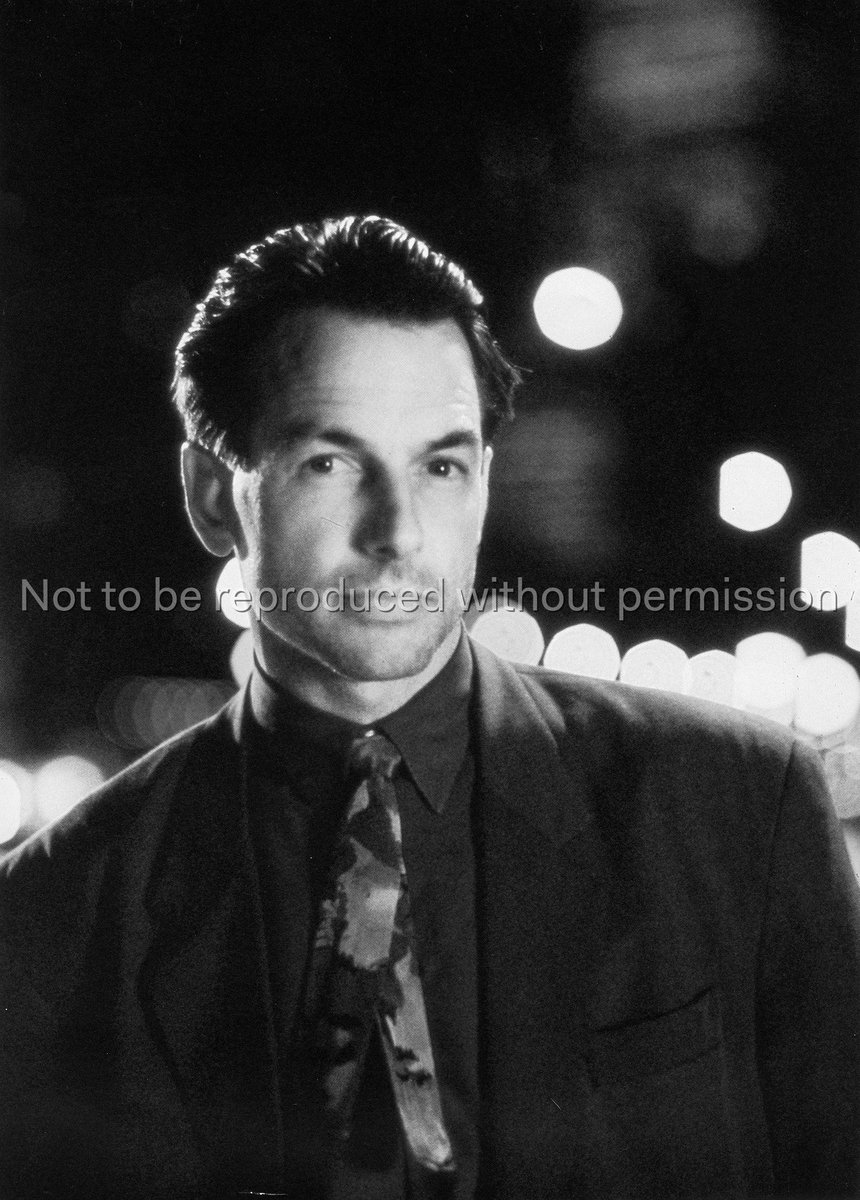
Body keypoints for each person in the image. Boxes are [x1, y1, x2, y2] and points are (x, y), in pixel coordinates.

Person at [1, 215, 858, 1200]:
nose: (398, 531)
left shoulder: (739, 805)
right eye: (330, 462)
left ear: (483, 484)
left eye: (439, 465)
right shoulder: (55, 912)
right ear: (209, 494)